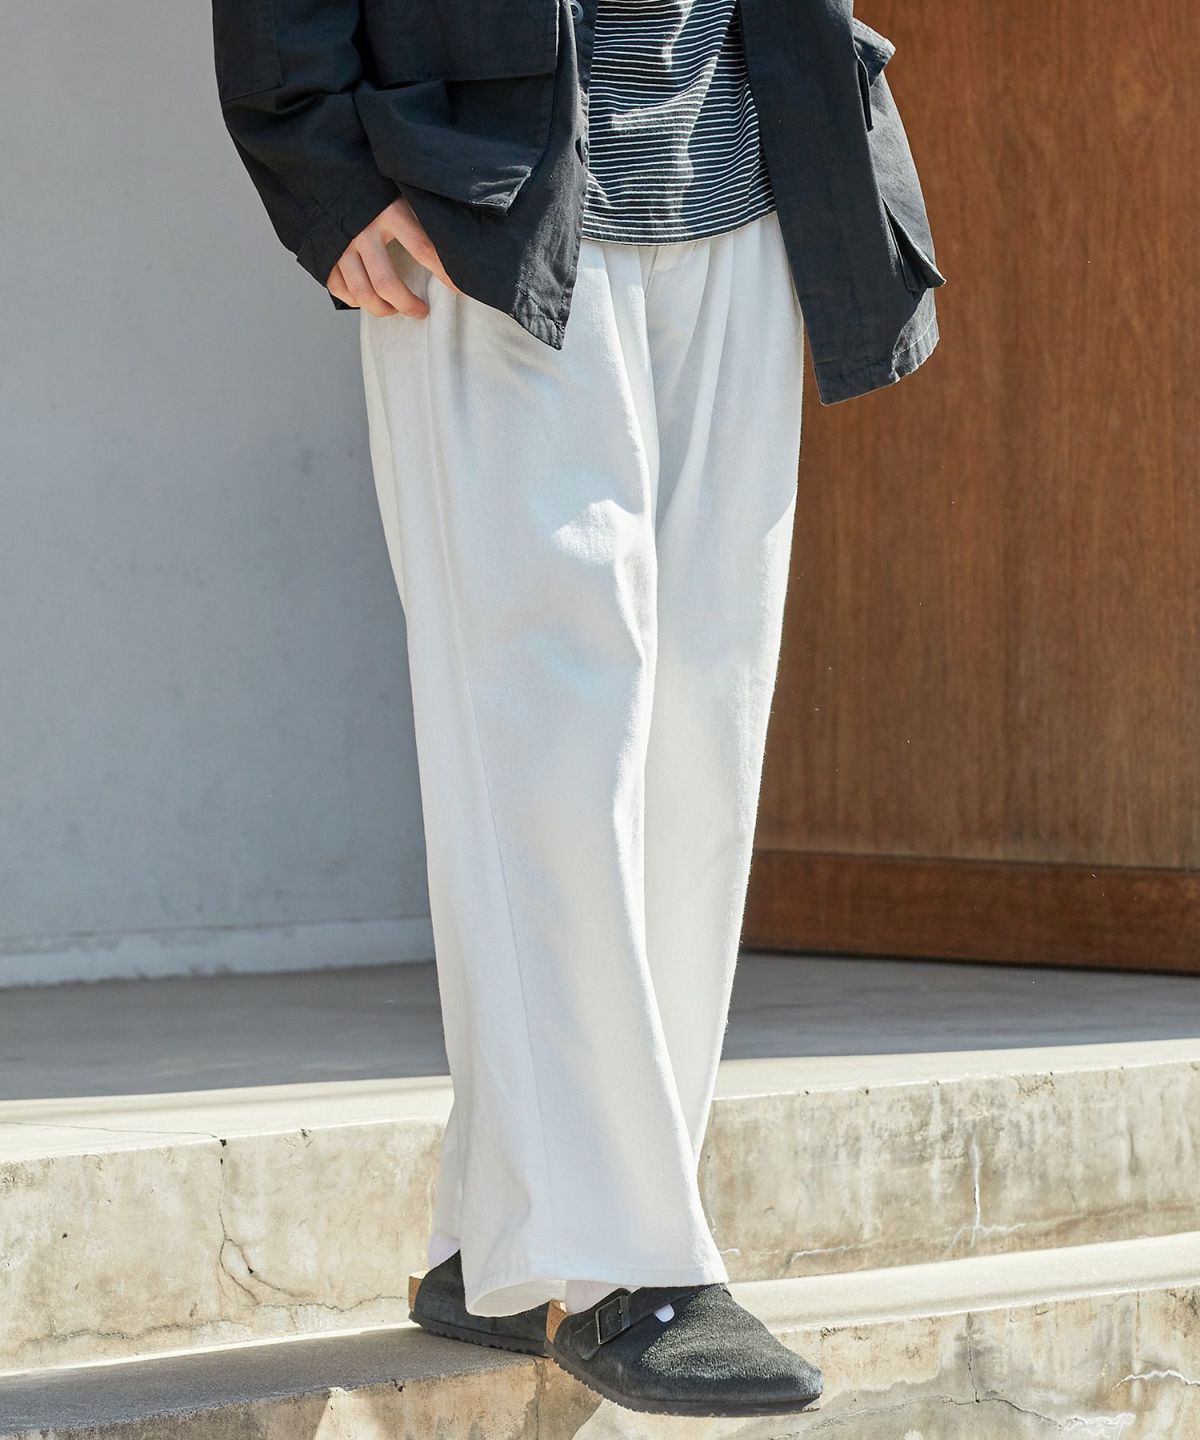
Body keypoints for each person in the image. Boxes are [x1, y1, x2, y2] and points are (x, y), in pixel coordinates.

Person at [211, 0, 945, 1417]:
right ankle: (622, 1262)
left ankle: (506, 1240)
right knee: (552, 735)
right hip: (482, 194)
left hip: (742, 173)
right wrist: (322, 164)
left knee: (698, 734)